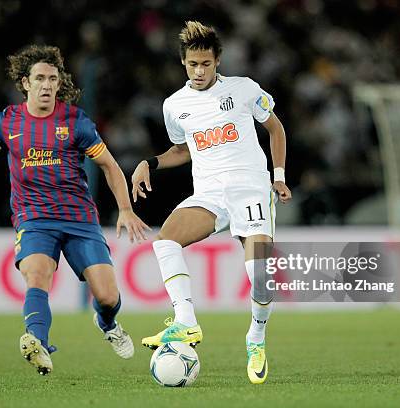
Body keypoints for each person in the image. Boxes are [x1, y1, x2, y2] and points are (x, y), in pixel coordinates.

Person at [0, 45, 150, 375]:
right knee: (37, 275)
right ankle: (36, 342)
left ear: (59, 83)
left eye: (53, 78)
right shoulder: (7, 122)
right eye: (40, 78)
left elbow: (108, 165)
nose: (47, 84)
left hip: (79, 218)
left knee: (107, 296)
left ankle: (107, 323)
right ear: (25, 83)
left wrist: (125, 209)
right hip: (33, 218)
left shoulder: (76, 122)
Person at [131, 21, 291, 384]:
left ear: (218, 60)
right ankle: (186, 322)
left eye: (205, 63)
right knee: (166, 239)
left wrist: (278, 176)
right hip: (209, 193)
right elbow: (182, 149)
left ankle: (256, 338)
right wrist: (149, 163)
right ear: (183, 64)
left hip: (250, 189)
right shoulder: (175, 105)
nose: (199, 71)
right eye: (192, 64)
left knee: (262, 280)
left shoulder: (244, 89)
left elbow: (276, 129)